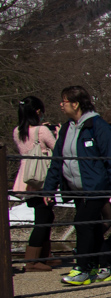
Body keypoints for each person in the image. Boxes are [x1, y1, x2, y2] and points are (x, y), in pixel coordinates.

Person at [41, 86, 111, 286]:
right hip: (76, 188)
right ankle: (102, 265)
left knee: (82, 222)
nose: (61, 105)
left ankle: (83, 267)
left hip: (96, 187)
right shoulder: (67, 128)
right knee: (93, 227)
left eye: (64, 101)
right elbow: (57, 160)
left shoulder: (98, 127)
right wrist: (49, 188)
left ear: (76, 103)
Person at [12, 96, 57, 272]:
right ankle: (32, 260)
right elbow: (57, 148)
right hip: (41, 177)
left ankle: (44, 256)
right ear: (38, 112)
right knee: (43, 217)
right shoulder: (41, 131)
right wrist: (56, 132)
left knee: (45, 215)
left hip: (26, 177)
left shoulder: (17, 131)